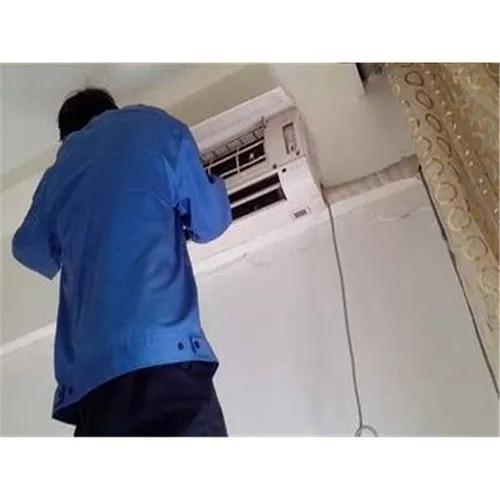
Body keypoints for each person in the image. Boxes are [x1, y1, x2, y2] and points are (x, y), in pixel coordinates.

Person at [12, 88, 232, 437]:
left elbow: (27, 249)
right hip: (168, 360)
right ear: (112, 110)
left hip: (96, 386)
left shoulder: (58, 174)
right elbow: (212, 222)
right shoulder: (157, 129)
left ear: (67, 137)